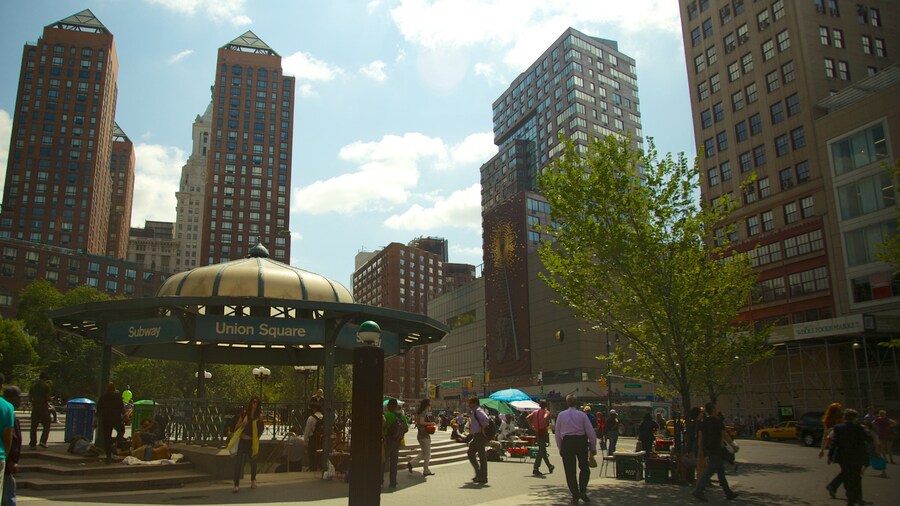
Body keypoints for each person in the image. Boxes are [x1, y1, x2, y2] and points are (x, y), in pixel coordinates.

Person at [554, 395, 597, 504]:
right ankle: (582, 489)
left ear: (567, 403)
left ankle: (575, 494)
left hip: (567, 442)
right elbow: (591, 432)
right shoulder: (582, 415)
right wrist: (593, 446)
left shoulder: (561, 415)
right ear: (576, 403)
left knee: (570, 470)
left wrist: (560, 447)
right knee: (584, 467)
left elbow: (557, 434)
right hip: (581, 441)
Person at [693, 403, 739, 502]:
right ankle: (698, 490)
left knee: (720, 471)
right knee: (710, 470)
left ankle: (728, 492)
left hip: (708, 449)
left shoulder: (704, 422)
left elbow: (700, 436)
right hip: (715, 449)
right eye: (716, 408)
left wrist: (700, 449)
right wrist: (733, 445)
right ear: (713, 409)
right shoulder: (717, 421)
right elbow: (724, 434)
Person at [828, 409, 869, 506]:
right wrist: (866, 458)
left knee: (848, 477)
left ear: (844, 417)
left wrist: (830, 454)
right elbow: (864, 443)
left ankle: (851, 500)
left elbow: (835, 442)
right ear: (855, 418)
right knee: (857, 478)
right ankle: (858, 499)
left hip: (843, 457)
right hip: (856, 457)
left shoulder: (838, 428)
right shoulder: (859, 428)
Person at [225, 396, 263, 493]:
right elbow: (236, 426)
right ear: (250, 403)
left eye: (257, 403)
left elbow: (261, 429)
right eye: (253, 402)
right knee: (238, 463)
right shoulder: (244, 413)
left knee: (253, 462)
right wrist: (242, 424)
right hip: (242, 441)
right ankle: (236, 484)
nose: (255, 404)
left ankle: (253, 480)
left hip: (251, 442)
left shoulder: (259, 416)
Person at [2, 386, 22, 506]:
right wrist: (11, 460)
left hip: (6, 459)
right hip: (6, 461)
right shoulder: (8, 413)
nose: (21, 401)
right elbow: (10, 439)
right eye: (19, 398)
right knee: (8, 498)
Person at [820, 402, 845, 499]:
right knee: (846, 469)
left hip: (833, 447)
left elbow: (825, 437)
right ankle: (833, 486)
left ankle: (836, 488)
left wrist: (822, 450)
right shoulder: (840, 421)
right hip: (842, 447)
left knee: (845, 469)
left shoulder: (827, 421)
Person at [96, 382, 124, 464]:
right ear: (114, 388)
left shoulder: (103, 397)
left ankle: (108, 457)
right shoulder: (118, 396)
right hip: (116, 418)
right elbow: (122, 408)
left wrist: (95, 420)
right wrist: (125, 416)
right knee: (121, 431)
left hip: (106, 419)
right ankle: (114, 442)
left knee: (107, 437)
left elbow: (98, 410)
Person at [382, 398, 408, 488]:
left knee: (383, 460)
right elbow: (406, 429)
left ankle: (380, 480)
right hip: (397, 441)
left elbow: (382, 426)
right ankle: (393, 482)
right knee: (394, 462)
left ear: (389, 406)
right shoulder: (402, 416)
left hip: (388, 440)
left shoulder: (387, 415)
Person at [466, 397, 490, 485]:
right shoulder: (474, 411)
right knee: (471, 453)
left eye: (470, 403)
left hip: (480, 436)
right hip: (476, 436)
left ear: (475, 403)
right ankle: (479, 473)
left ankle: (483, 477)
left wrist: (483, 429)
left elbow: (486, 419)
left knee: (482, 456)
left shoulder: (478, 411)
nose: (469, 404)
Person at [527, 399, 555, 476]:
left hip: (537, 431)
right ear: (546, 406)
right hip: (543, 431)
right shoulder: (546, 412)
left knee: (543, 450)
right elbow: (545, 417)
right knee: (541, 451)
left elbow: (527, 417)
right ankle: (536, 468)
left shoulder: (535, 412)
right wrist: (546, 426)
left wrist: (532, 426)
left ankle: (549, 466)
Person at [408, 398, 435, 476]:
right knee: (427, 454)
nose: (431, 404)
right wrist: (430, 423)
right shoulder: (423, 412)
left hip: (421, 435)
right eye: (430, 403)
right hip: (424, 435)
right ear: (427, 404)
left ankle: (412, 463)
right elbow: (421, 422)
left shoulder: (420, 412)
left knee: (424, 453)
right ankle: (426, 470)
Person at [27, 372, 52, 449]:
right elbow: (47, 397)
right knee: (47, 425)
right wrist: (51, 399)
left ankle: (33, 443)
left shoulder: (33, 386)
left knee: (33, 426)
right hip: (43, 408)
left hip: (35, 408)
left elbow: (30, 399)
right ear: (45, 378)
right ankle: (43, 441)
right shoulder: (46, 386)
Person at [304, 403, 324, 472]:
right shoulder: (323, 417)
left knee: (312, 454)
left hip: (313, 439)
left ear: (314, 409)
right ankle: (321, 467)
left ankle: (313, 468)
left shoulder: (311, 418)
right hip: (321, 440)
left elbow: (307, 430)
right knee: (321, 454)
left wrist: (305, 441)